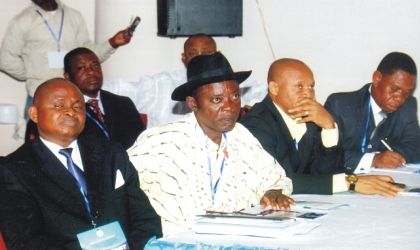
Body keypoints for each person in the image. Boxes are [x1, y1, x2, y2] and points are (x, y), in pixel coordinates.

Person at [127, 52, 294, 235]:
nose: (229, 107)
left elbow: (274, 176)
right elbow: (118, 186)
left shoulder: (241, 136)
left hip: (235, 238)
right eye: (217, 99)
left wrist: (273, 191)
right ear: (192, 103)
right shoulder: (161, 142)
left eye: (235, 97)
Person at [0, 79, 162, 249]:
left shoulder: (111, 153)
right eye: (59, 106)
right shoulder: (14, 170)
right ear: (34, 114)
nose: (71, 111)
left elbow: (145, 219)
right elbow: (26, 243)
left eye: (78, 107)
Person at [239, 58, 403, 196]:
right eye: (299, 87)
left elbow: (328, 173)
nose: (308, 94)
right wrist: (350, 183)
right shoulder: (257, 123)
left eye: (311, 87)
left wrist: (329, 127)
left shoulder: (310, 119)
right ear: (274, 88)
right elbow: (278, 179)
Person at [0, 0, 133, 121]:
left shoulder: (73, 16)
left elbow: (88, 55)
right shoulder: (22, 21)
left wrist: (112, 43)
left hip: (74, 96)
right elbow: (5, 60)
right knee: (39, 144)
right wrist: (33, 74)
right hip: (41, 96)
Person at [102, 33, 266, 128]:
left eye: (206, 53)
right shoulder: (161, 85)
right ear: (184, 57)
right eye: (193, 54)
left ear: (218, 53)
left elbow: (265, 93)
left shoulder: (229, 84)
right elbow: (117, 88)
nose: (200, 58)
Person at [25, 47, 145, 150]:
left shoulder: (123, 103)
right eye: (82, 68)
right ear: (68, 77)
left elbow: (144, 141)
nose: (91, 72)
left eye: (95, 66)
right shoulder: (58, 111)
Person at [325, 52, 420, 174]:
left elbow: (415, 146)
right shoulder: (340, 105)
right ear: (377, 78)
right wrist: (373, 160)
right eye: (394, 89)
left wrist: (387, 157)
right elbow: (326, 156)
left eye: (407, 93)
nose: (400, 99)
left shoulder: (408, 106)